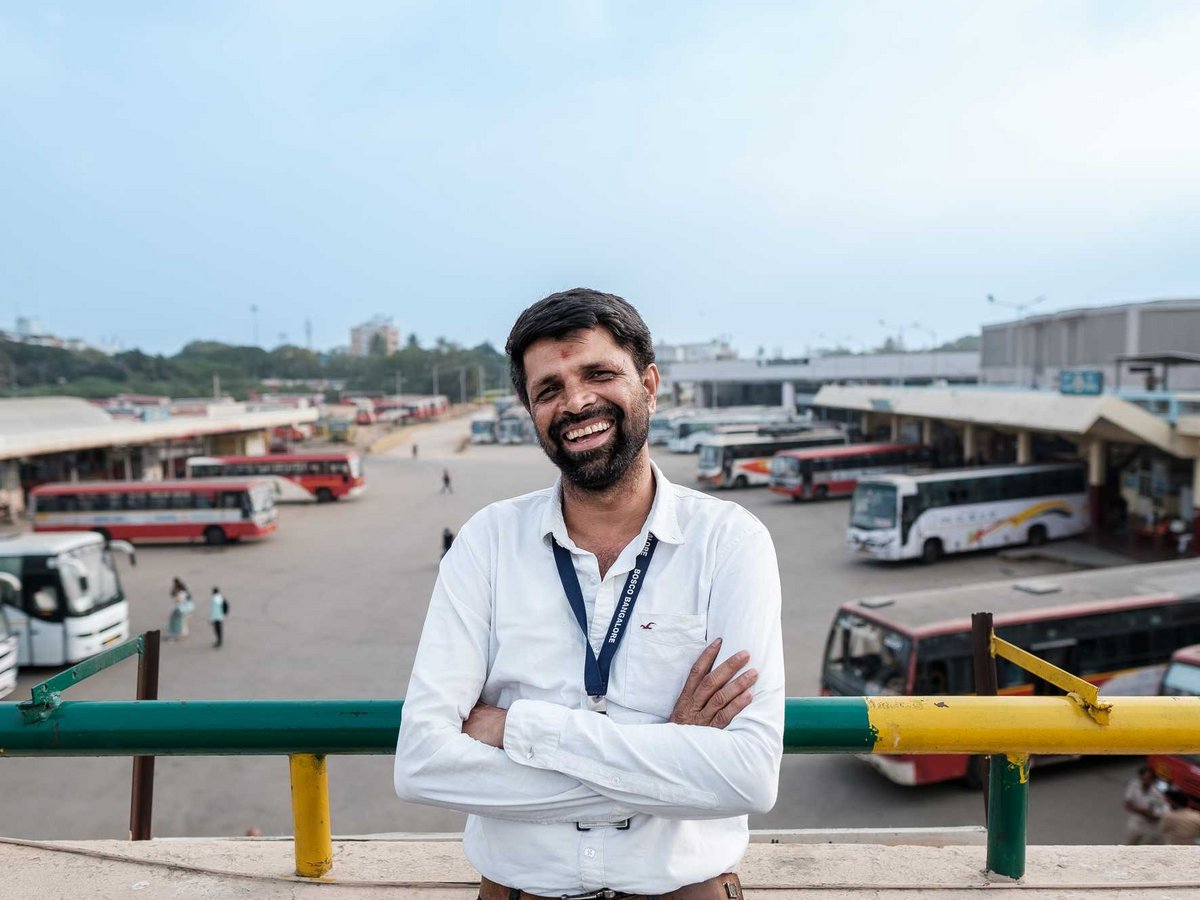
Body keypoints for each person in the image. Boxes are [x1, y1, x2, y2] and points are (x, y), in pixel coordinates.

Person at [395, 289, 784, 898]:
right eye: (548, 389)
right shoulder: (487, 542)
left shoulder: (729, 541)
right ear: (529, 409)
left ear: (650, 384)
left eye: (599, 373)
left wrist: (521, 731)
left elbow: (749, 779)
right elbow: (422, 763)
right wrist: (670, 753)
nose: (576, 402)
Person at [1124, 765, 1167, 845]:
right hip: (1135, 825)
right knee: (1129, 846)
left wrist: (1137, 809)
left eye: (1149, 778)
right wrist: (1144, 812)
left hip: (1151, 829)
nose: (1146, 780)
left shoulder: (1157, 794)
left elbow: (1158, 814)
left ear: (1153, 779)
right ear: (1140, 777)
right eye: (1144, 777)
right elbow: (1127, 804)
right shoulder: (1134, 785)